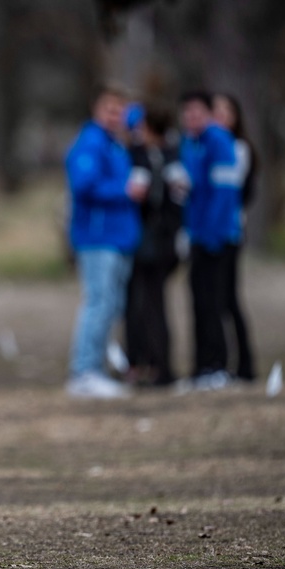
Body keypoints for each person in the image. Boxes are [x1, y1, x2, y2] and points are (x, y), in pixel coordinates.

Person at [65, 84, 148, 399]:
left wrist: (133, 114)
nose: (116, 115)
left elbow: (143, 114)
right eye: (109, 109)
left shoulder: (116, 143)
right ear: (95, 109)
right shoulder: (90, 143)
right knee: (98, 304)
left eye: (120, 110)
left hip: (119, 238)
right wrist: (123, 190)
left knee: (111, 306)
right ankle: (83, 371)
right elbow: (83, 185)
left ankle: (95, 369)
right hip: (97, 239)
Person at [178, 90, 241, 390]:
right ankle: (201, 367)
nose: (191, 118)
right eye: (186, 112)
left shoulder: (218, 140)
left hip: (217, 239)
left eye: (197, 112)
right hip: (197, 237)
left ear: (208, 114)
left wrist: (211, 236)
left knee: (214, 304)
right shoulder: (190, 144)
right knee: (198, 303)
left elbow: (224, 195)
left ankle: (217, 366)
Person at [124, 105, 185, 387]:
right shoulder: (137, 155)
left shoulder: (170, 156)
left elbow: (175, 200)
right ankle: (143, 362)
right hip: (144, 241)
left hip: (156, 244)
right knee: (140, 305)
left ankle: (158, 364)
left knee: (151, 304)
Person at [212, 93, 257, 382]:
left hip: (227, 234)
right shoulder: (208, 145)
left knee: (228, 300)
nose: (221, 116)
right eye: (215, 111)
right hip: (212, 233)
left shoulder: (237, 148)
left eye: (226, 111)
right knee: (221, 301)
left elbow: (230, 192)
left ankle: (244, 365)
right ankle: (228, 364)